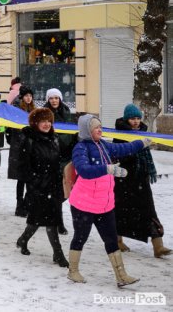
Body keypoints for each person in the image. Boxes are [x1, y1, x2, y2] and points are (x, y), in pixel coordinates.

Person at [67, 114, 149, 286]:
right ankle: (73, 271)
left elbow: (123, 149)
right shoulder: (81, 148)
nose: (100, 129)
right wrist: (108, 169)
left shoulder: (104, 145)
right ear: (87, 131)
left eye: (100, 126)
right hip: (84, 204)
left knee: (111, 239)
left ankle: (121, 276)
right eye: (95, 127)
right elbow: (84, 170)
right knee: (81, 237)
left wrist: (142, 143)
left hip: (104, 204)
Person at [114, 104, 171, 258]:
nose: (136, 121)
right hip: (124, 180)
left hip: (141, 180)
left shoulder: (143, 133)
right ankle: (117, 240)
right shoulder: (120, 135)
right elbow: (117, 155)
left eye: (138, 118)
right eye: (133, 118)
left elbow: (146, 156)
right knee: (121, 212)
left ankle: (158, 246)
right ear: (127, 119)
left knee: (149, 211)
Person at [14, 108, 69, 267]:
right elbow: (23, 168)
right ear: (35, 123)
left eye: (49, 121)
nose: (46, 124)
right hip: (38, 188)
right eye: (43, 121)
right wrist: (37, 182)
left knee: (39, 219)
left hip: (54, 186)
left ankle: (23, 240)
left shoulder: (55, 139)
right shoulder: (29, 140)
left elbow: (63, 156)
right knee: (51, 220)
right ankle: (58, 254)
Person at [45, 87, 75, 235]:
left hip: (66, 157)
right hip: (51, 157)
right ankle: (58, 222)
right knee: (56, 193)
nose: (54, 100)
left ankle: (52, 217)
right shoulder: (44, 114)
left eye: (56, 98)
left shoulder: (67, 113)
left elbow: (73, 132)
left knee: (64, 193)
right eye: (51, 98)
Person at [8, 85, 36, 217]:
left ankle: (26, 204)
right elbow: (13, 129)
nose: (29, 98)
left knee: (30, 179)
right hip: (20, 149)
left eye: (30, 96)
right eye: (26, 96)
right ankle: (19, 205)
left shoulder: (35, 111)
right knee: (21, 179)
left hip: (32, 150)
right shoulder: (17, 110)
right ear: (22, 97)